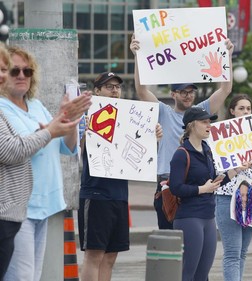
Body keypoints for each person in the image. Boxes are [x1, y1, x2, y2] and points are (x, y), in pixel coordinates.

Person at [0, 46, 92, 281]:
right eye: (14, 70)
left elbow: (66, 147)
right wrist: (52, 128)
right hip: (18, 207)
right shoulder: (2, 108)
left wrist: (69, 121)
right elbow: (15, 148)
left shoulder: (37, 106)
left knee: (32, 276)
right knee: (20, 277)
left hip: (45, 203)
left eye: (27, 71)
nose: (22, 76)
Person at [130, 34, 234, 229]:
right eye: (183, 92)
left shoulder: (201, 112)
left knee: (193, 240)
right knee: (170, 241)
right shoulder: (163, 112)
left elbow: (225, 89)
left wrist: (227, 55)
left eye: (191, 92)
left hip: (195, 183)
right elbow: (142, 91)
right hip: (168, 182)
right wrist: (137, 56)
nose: (188, 96)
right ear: (173, 94)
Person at [78, 72, 162, 281]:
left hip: (119, 195)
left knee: (111, 255)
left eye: (117, 87)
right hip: (96, 193)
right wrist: (84, 131)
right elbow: (76, 150)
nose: (115, 90)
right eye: (109, 87)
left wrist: (154, 137)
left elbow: (143, 156)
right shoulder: (88, 115)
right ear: (97, 91)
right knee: (94, 254)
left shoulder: (129, 117)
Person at [169, 106, 250, 281]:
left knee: (203, 273)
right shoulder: (181, 154)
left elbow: (214, 181)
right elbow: (175, 187)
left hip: (208, 216)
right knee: (187, 272)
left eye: (210, 122)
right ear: (191, 125)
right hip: (189, 217)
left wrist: (236, 169)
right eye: (204, 122)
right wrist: (201, 189)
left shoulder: (207, 151)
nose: (209, 125)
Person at [215, 94, 252, 281]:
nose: (246, 112)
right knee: (232, 253)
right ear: (232, 111)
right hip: (228, 198)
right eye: (241, 108)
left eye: (248, 108)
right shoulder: (221, 136)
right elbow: (216, 170)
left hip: (251, 198)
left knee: (242, 253)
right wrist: (237, 167)